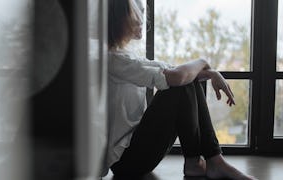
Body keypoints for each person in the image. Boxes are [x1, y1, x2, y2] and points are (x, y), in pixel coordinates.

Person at [103, 0, 256, 179]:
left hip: (138, 152)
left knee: (185, 80)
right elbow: (177, 77)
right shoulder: (115, 61)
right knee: (179, 84)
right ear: (119, 19)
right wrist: (203, 61)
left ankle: (208, 161)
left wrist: (212, 73)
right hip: (126, 162)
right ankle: (206, 161)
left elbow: (179, 73)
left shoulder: (126, 56)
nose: (142, 19)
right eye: (136, 13)